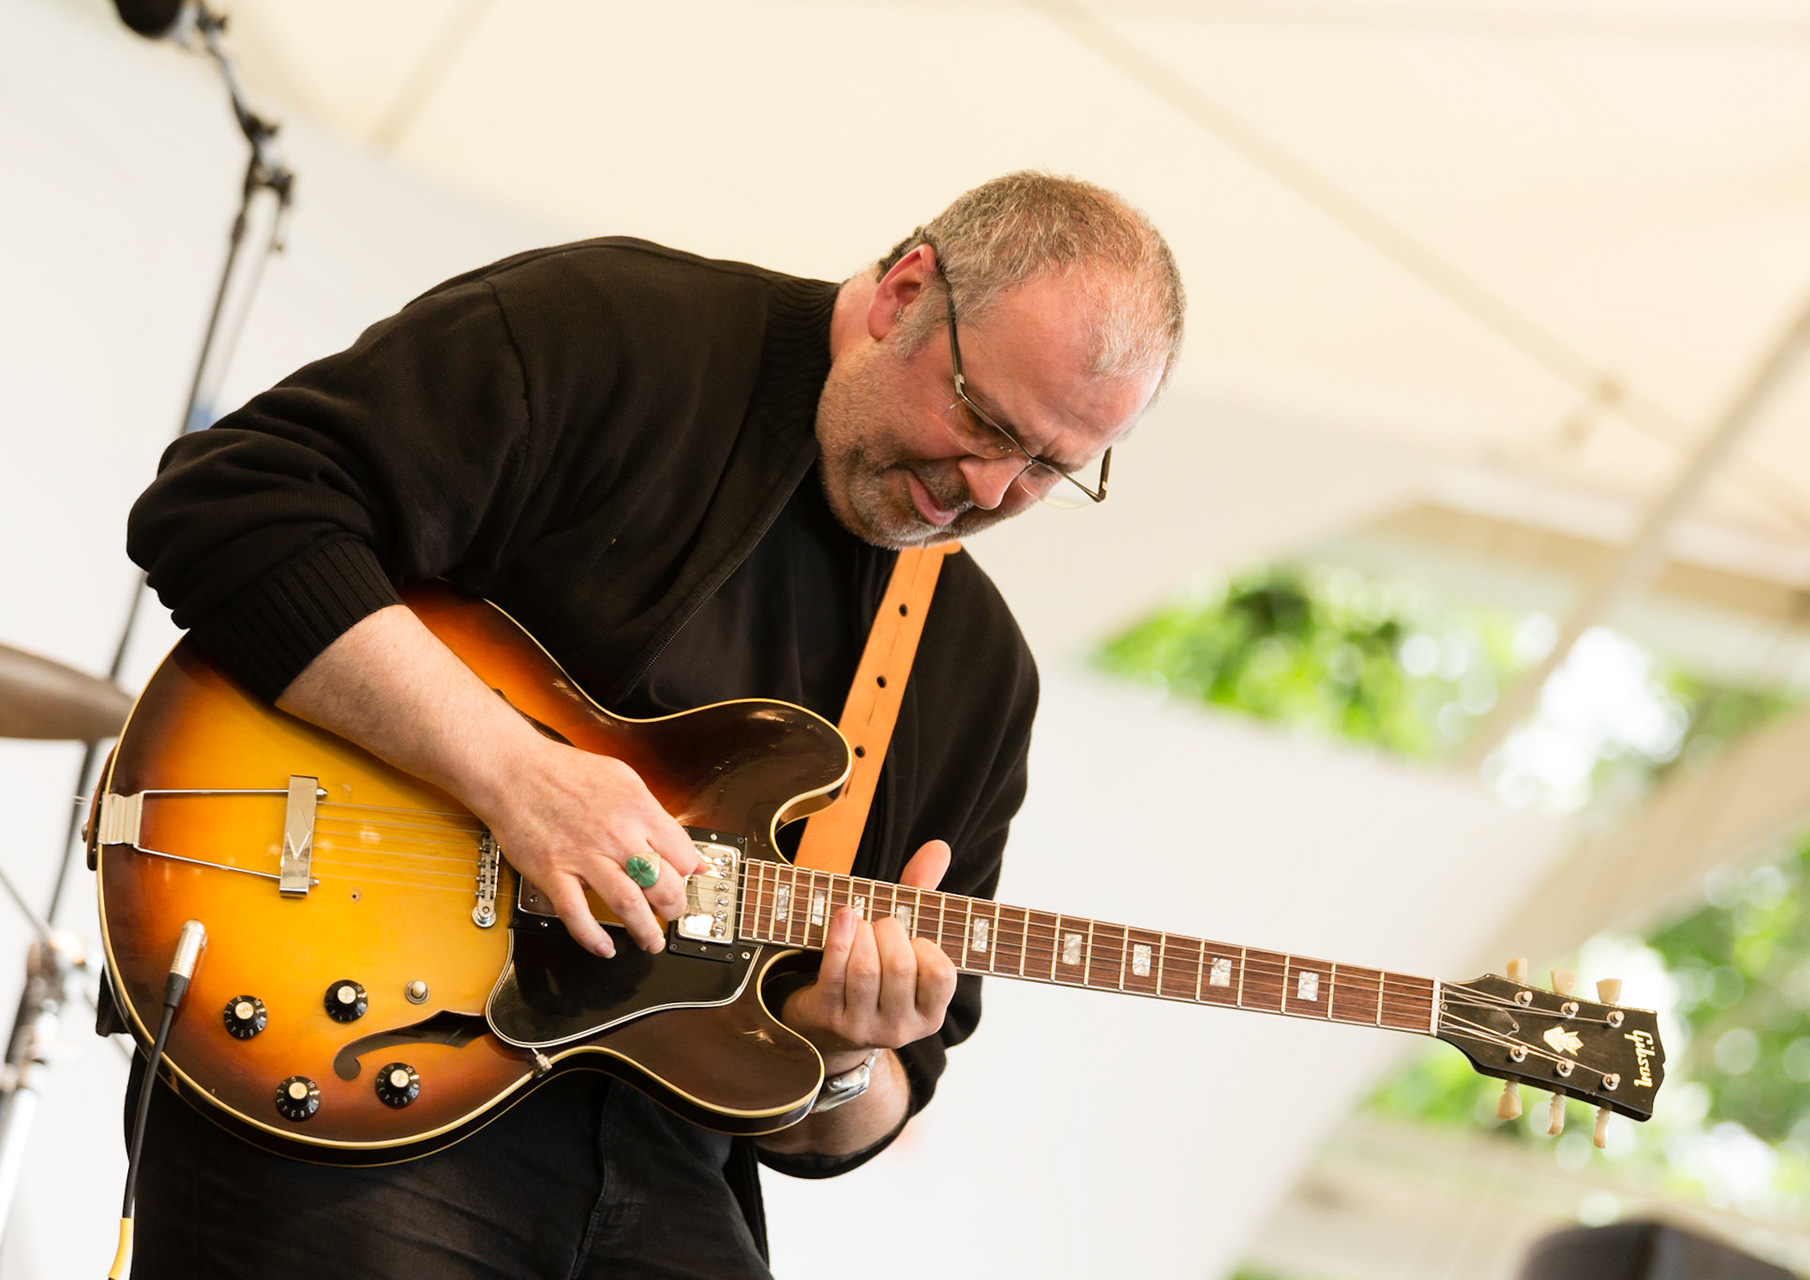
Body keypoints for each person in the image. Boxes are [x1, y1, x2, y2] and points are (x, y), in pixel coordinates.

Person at [122, 170, 1184, 1278]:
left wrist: (835, 1055)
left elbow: (855, 1117)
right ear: (904, 292)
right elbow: (229, 504)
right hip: (358, 1044)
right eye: (984, 416)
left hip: (659, 1161)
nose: (988, 484)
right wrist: (514, 774)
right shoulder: (618, 333)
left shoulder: (976, 671)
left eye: (1051, 468)